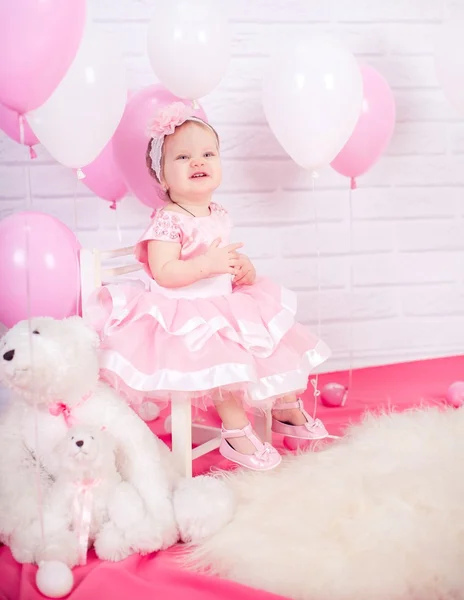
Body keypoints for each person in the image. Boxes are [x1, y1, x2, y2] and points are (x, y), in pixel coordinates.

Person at [87, 101, 331, 471]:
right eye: (183, 157)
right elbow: (164, 271)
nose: (198, 162)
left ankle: (284, 407)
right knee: (223, 364)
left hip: (222, 300)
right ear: (163, 178)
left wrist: (239, 269)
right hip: (182, 312)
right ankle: (236, 432)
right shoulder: (168, 220)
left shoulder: (218, 213)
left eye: (207, 154)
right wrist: (207, 265)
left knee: (270, 339)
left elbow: (221, 259)